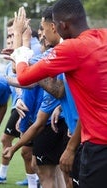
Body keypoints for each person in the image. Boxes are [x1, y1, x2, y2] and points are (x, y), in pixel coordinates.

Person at [12, 1, 107, 187]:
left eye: (50, 26)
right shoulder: (103, 36)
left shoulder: (71, 49)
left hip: (99, 145)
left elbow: (23, 77)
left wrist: (21, 52)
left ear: (61, 26)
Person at [0, 18, 41, 187]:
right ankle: (12, 175)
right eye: (9, 35)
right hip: (20, 104)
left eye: (13, 34)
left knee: (30, 152)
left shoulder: (31, 50)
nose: (10, 39)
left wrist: (21, 97)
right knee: (21, 147)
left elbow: (25, 78)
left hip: (32, 106)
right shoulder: (15, 55)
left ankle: (33, 179)